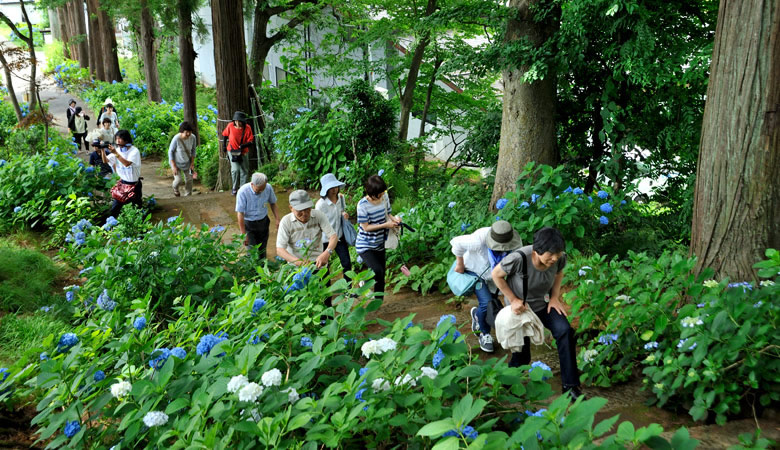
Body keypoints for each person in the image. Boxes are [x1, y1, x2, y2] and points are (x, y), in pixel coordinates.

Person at [491, 227, 583, 399]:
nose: (555, 258)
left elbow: (558, 274)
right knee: (522, 356)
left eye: (558, 253)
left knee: (565, 331)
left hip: (544, 305)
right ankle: (506, 383)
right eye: (551, 254)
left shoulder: (559, 259)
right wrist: (513, 299)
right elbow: (496, 275)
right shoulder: (519, 258)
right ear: (536, 251)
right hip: (521, 310)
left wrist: (555, 297)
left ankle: (570, 386)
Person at [451, 220, 523, 353]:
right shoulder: (478, 239)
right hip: (475, 271)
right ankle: (484, 334)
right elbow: (457, 243)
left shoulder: (515, 242)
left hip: (495, 276)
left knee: (491, 304)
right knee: (486, 302)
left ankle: (477, 315)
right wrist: (459, 264)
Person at [355, 175, 400, 294]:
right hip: (365, 245)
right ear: (371, 192)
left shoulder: (384, 196)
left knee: (381, 273)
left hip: (380, 243)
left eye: (383, 192)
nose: (382, 195)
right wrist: (385, 225)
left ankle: (378, 301)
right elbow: (366, 227)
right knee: (377, 270)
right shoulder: (362, 205)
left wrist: (394, 220)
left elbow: (388, 213)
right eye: (379, 193)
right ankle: (362, 287)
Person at [277, 189, 338, 268]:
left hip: (318, 264)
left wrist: (327, 253)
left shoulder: (318, 215)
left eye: (307, 209)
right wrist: (298, 262)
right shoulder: (286, 222)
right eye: (300, 210)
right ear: (291, 208)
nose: (304, 213)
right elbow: (280, 249)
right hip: (296, 268)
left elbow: (333, 237)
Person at [315, 174, 353, 284]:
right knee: (323, 267)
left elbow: (342, 210)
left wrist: (343, 214)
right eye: (330, 188)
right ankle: (326, 292)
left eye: (335, 187)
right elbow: (317, 223)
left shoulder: (341, 198)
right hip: (325, 240)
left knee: (346, 263)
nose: (334, 190)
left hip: (339, 236)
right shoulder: (320, 205)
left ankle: (348, 289)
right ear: (325, 189)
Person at [235, 172, 280, 259]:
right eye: (258, 190)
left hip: (263, 222)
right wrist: (243, 234)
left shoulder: (268, 187)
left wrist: (277, 219)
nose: (261, 191)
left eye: (263, 189)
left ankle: (263, 269)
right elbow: (240, 213)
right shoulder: (243, 192)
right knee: (252, 252)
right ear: (252, 184)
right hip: (249, 224)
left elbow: (273, 203)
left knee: (262, 249)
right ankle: (253, 271)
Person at [101, 130, 142, 218]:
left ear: (126, 140)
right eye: (116, 139)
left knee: (136, 209)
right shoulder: (118, 150)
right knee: (115, 208)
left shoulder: (134, 151)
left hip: (134, 185)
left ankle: (141, 229)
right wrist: (102, 150)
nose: (117, 141)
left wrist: (115, 153)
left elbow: (127, 164)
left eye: (120, 139)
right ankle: (112, 226)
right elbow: (105, 161)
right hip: (122, 185)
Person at [221, 111, 254, 195]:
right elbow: (225, 135)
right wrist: (224, 146)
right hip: (232, 151)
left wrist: (243, 146)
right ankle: (234, 188)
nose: (237, 123)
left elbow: (250, 141)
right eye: (236, 121)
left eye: (239, 121)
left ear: (243, 121)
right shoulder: (230, 126)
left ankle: (243, 189)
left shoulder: (247, 128)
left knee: (244, 170)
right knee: (235, 170)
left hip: (243, 151)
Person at [168, 121, 197, 197]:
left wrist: (192, 163)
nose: (188, 134)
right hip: (176, 162)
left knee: (189, 180)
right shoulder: (176, 139)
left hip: (187, 162)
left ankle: (188, 195)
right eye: (186, 132)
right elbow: (170, 152)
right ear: (182, 131)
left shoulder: (193, 137)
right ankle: (175, 189)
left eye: (190, 132)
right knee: (178, 180)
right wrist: (173, 166)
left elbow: (193, 150)